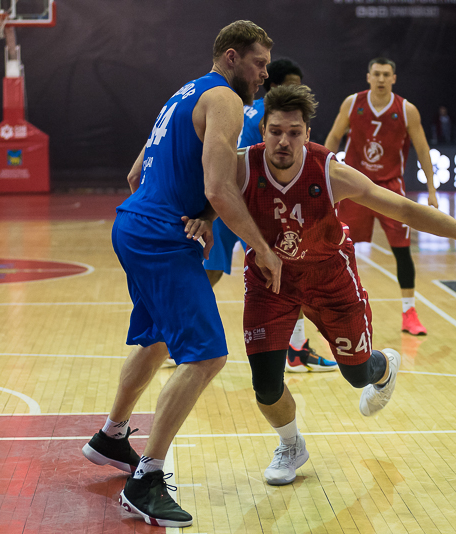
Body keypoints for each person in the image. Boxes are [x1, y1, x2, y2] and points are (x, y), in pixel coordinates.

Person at [193, 84, 456, 486]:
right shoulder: (242, 164)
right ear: (262, 130)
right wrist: (204, 217)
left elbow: (403, 208)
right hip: (271, 280)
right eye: (276, 131)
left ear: (307, 134)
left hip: (330, 279)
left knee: (357, 374)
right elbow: (214, 192)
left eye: (294, 133)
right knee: (265, 385)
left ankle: (384, 366)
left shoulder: (330, 172)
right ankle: (291, 445)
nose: (284, 141)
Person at [80, 20, 283, 528]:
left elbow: (136, 174)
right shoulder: (226, 99)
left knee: (156, 341)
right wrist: (260, 248)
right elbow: (219, 187)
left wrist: (200, 214)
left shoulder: (183, 95)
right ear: (232, 57)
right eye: (259, 63)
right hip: (159, 236)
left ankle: (111, 435)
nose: (265, 74)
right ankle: (146, 480)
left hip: (133, 224)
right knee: (207, 355)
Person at [201, 56, 336, 373]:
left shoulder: (249, 109)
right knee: (288, 268)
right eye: (293, 86)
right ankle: (296, 351)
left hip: (228, 200)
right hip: (245, 203)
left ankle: (172, 336)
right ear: (274, 86)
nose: (299, 92)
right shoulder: (275, 119)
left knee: (212, 272)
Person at [324, 57, 439, 336]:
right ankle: (333, 311)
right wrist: (323, 174)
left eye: (386, 75)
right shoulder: (353, 103)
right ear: (368, 77)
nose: (381, 79)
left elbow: (423, 149)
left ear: (394, 78)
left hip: (390, 188)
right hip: (355, 186)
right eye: (376, 74)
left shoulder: (407, 110)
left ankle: (409, 313)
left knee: (402, 251)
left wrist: (432, 189)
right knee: (338, 250)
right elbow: (334, 137)